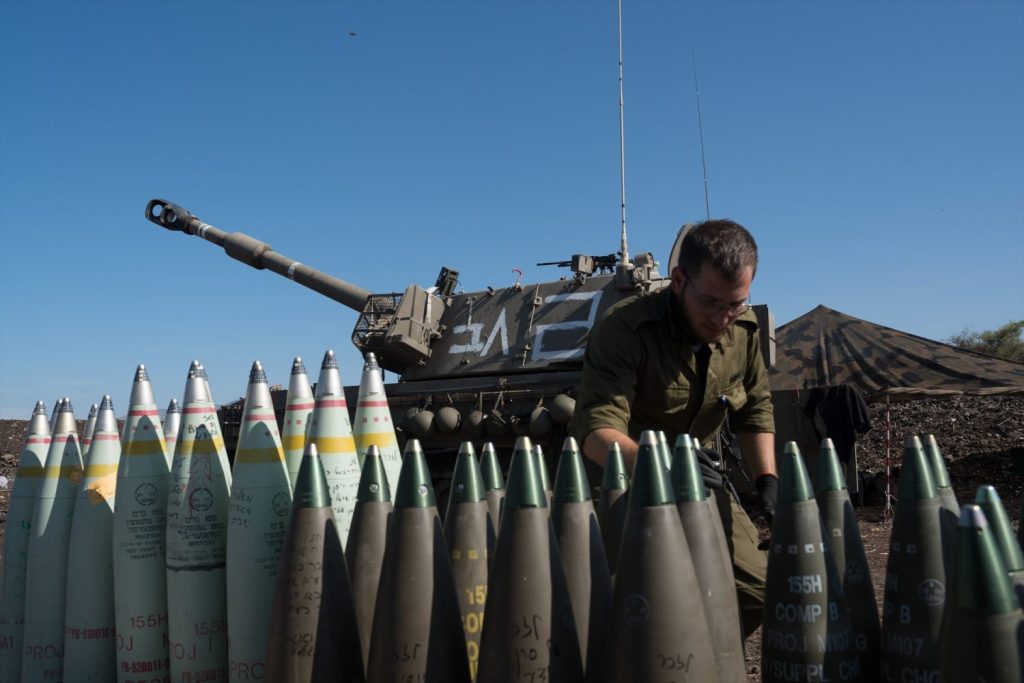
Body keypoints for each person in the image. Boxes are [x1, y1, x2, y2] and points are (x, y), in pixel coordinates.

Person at [572, 218, 777, 637]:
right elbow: (596, 430)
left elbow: (754, 409)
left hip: (703, 479)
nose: (723, 318)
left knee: (758, 591)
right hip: (623, 479)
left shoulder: (743, 330)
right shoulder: (625, 328)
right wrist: (661, 464)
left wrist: (769, 481)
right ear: (679, 280)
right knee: (628, 603)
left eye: (735, 304)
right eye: (712, 303)